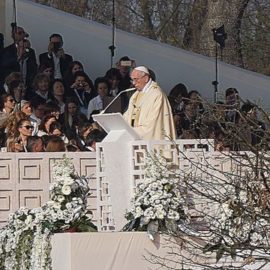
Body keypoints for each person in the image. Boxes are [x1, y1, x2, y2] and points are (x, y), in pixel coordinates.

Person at [123, 66, 176, 140]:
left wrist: (133, 131)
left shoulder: (157, 94)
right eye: (132, 80)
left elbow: (154, 125)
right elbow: (128, 116)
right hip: (135, 138)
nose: (134, 83)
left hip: (151, 141)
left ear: (146, 78)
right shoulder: (135, 95)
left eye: (136, 79)